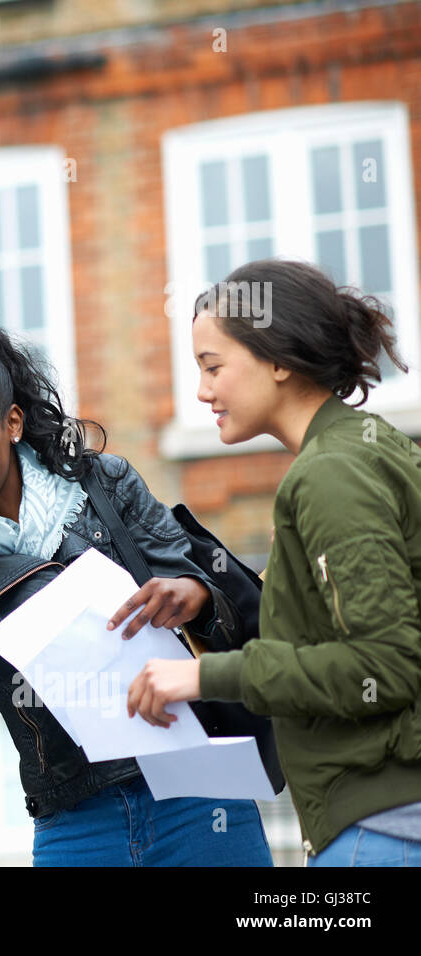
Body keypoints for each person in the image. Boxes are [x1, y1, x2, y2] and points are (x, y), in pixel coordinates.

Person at [0, 306, 273, 866]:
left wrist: (195, 596)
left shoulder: (105, 488)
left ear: (12, 423)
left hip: (198, 800)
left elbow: (221, 600)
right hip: (76, 828)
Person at [128, 258, 421, 866]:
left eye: (213, 367)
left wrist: (203, 676)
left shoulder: (331, 473)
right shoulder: (361, 448)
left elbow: (384, 664)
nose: (203, 391)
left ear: (280, 360)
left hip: (382, 827)